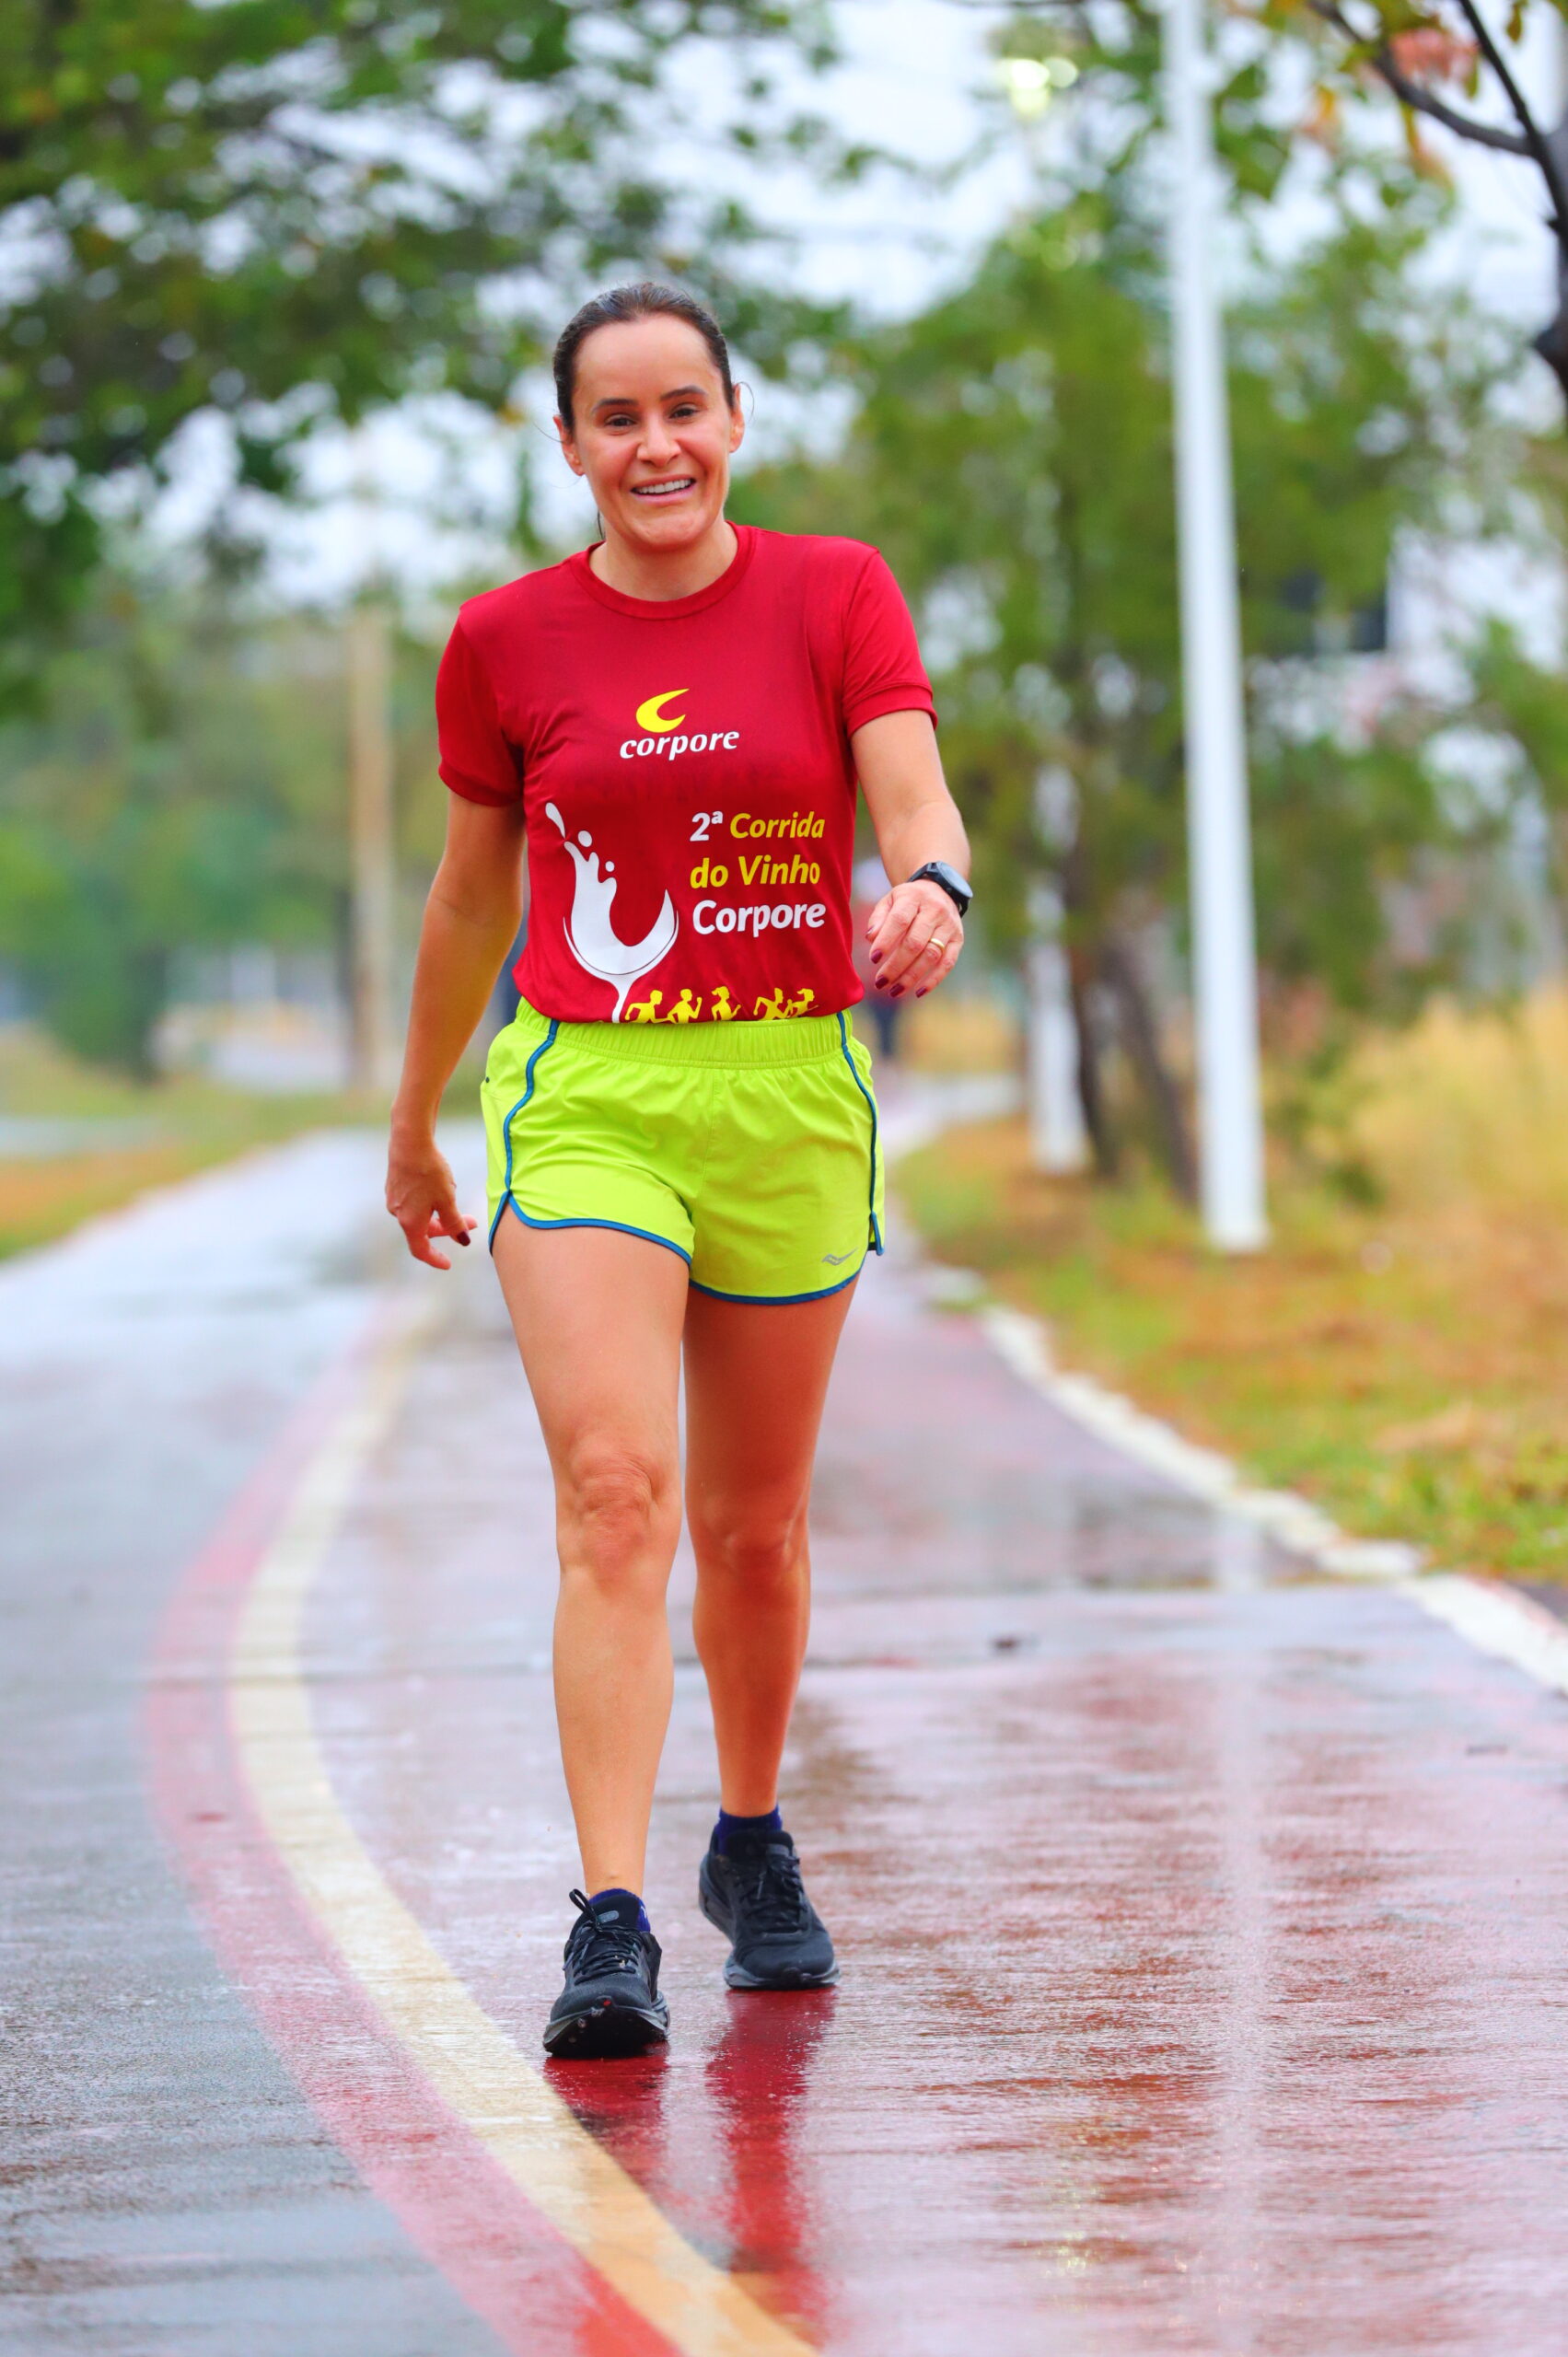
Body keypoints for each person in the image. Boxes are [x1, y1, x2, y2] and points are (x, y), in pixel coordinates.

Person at [385, 281, 972, 2059]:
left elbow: (913, 794)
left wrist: (931, 887)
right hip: (592, 1093)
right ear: (570, 445)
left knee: (754, 1529)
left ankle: (750, 1836)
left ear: (734, 422)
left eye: (684, 409)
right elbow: (471, 897)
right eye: (618, 418)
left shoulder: (833, 592)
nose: (657, 446)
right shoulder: (505, 639)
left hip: (791, 1085)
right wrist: (414, 1116)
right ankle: (610, 1918)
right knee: (619, 1494)